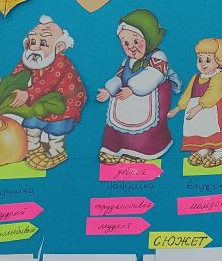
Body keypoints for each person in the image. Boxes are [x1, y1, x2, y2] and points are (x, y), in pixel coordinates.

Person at [97, 9, 181, 164]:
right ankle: (115, 148)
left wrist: (133, 89)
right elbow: (119, 76)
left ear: (149, 37)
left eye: (136, 41)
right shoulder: (127, 61)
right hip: (126, 97)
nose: (131, 47)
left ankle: (141, 151)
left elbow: (153, 76)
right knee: (116, 124)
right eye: (125, 43)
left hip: (151, 97)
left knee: (147, 127)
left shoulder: (158, 57)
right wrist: (109, 90)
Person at [10, 15, 87, 169]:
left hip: (65, 103)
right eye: (32, 42)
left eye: (43, 43)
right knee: (32, 122)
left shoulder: (61, 62)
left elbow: (48, 82)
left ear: (58, 47)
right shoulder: (30, 58)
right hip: (40, 101)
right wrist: (10, 86)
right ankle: (33, 148)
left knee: (57, 129)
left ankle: (56, 152)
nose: (34, 47)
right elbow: (19, 72)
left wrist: (27, 94)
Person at [168, 38, 222, 167]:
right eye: (200, 60)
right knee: (200, 129)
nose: (203, 64)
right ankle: (204, 148)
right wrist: (178, 108)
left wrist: (198, 107)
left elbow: (214, 93)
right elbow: (187, 94)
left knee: (213, 128)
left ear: (218, 60)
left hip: (210, 108)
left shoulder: (218, 76)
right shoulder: (196, 77)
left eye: (208, 60)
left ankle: (220, 151)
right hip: (195, 108)